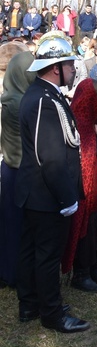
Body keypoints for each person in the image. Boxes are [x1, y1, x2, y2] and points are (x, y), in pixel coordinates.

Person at [15, 32, 90, 333]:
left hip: (36, 192)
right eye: (69, 64)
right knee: (46, 255)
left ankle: (31, 303)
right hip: (46, 194)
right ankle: (51, 313)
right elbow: (52, 158)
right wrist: (67, 199)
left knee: (33, 251)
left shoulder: (45, 94)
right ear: (55, 67)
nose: (73, 70)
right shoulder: (44, 100)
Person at [64, 79, 97, 292]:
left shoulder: (90, 122)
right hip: (86, 192)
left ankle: (96, 266)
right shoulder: (78, 123)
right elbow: (85, 158)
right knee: (87, 229)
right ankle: (81, 272)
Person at [0, 51, 36, 289]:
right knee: (16, 225)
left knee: (10, 223)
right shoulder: (20, 103)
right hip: (20, 169)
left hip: (11, 167)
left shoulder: (11, 96)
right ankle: (12, 273)